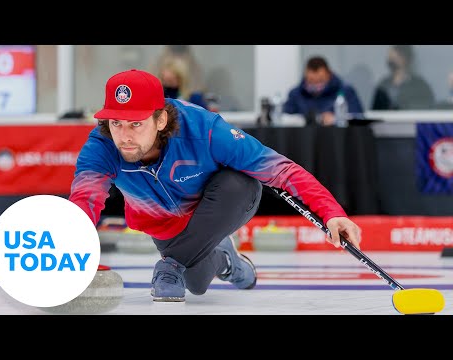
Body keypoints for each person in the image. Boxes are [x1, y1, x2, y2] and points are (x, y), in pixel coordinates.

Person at [69, 69, 362, 303]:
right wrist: (68, 255)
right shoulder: (102, 146)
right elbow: (85, 200)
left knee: (241, 184)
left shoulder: (203, 129)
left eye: (136, 124)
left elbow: (280, 170)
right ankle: (227, 262)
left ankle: (171, 263)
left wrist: (331, 213)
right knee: (195, 284)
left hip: (219, 204)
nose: (124, 136)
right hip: (163, 224)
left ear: (160, 120)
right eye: (116, 123)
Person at [282, 56, 364, 126]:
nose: (315, 84)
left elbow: (358, 117)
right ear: (305, 75)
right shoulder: (295, 94)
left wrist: (336, 119)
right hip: (305, 140)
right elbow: (285, 118)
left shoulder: (346, 91)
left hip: (336, 139)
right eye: (311, 80)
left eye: (320, 80)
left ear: (329, 74)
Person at [371, 45, 435, 110]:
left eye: (394, 58)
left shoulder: (420, 85)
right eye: (390, 58)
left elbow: (426, 107)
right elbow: (375, 109)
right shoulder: (383, 84)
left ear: (405, 58)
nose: (391, 60)